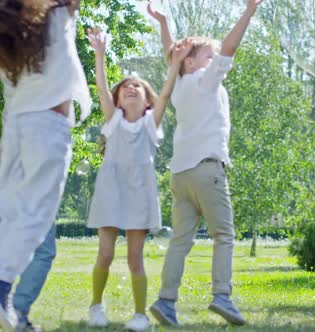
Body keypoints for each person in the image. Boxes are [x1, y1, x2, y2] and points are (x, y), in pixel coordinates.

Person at [146, 0, 264, 326]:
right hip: (206, 170)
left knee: (180, 240)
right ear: (193, 62)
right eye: (208, 56)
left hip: (180, 174)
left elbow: (172, 53)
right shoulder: (205, 81)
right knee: (224, 234)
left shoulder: (180, 84)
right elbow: (230, 47)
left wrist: (163, 22)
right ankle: (222, 296)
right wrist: (249, 11)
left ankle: (166, 300)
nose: (215, 60)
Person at [85, 28, 190, 331]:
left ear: (147, 102)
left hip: (140, 194)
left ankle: (140, 315)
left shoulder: (149, 124)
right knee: (105, 254)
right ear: (118, 100)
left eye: (138, 86)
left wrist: (175, 65)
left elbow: (167, 92)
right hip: (110, 191)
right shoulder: (113, 119)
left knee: (135, 259)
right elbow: (102, 88)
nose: (131, 87)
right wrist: (100, 53)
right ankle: (96, 305)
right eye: (126, 86)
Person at [0, 1, 91, 330]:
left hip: (16, 125)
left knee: (8, 208)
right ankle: (2, 285)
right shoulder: (57, 17)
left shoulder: (13, 35)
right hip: (48, 126)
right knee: (36, 215)